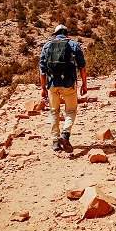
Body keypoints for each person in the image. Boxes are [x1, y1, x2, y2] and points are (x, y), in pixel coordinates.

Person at [39, 24, 87, 152]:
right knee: (71, 110)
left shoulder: (47, 45)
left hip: (52, 84)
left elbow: (42, 70)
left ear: (55, 34)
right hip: (69, 83)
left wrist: (43, 88)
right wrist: (84, 85)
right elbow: (82, 67)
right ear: (67, 33)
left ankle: (55, 141)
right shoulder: (73, 45)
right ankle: (65, 134)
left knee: (54, 111)